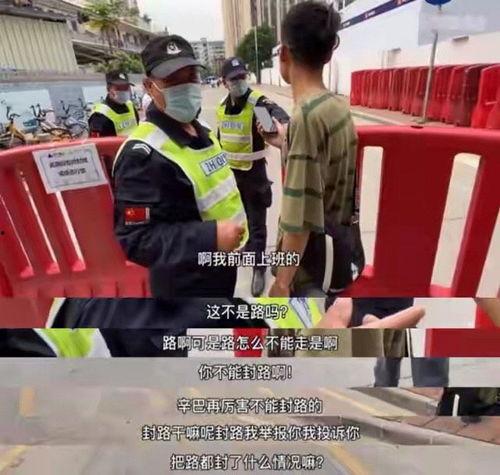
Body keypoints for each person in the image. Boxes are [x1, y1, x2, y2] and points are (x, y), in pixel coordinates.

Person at [112, 35, 248, 298]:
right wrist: (209, 237)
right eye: (173, 80)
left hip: (221, 268)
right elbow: (136, 238)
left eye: (191, 77)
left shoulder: (203, 130)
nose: (186, 87)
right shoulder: (140, 156)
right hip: (186, 286)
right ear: (150, 87)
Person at [259, 1, 362, 298]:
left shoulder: (305, 117)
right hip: (337, 250)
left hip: (310, 268)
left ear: (284, 53)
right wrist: (285, 141)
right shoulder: (336, 106)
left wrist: (282, 282)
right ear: (328, 55)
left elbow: (299, 220)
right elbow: (325, 165)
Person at [217, 57, 289, 296]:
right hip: (231, 176)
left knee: (257, 225)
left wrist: (275, 126)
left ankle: (259, 268)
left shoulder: (256, 103)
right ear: (224, 82)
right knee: (241, 221)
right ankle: (249, 250)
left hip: (254, 175)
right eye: (233, 79)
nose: (239, 82)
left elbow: (276, 120)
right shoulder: (222, 107)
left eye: (242, 77)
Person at [88, 70, 139, 137]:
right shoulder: (99, 116)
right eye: (118, 88)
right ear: (108, 89)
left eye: (126, 87)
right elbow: (97, 142)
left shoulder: (130, 106)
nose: (123, 91)